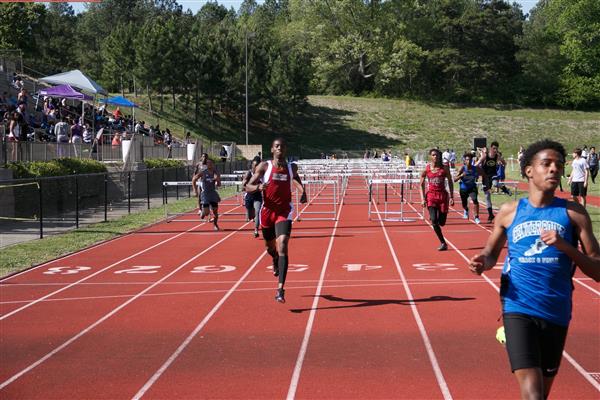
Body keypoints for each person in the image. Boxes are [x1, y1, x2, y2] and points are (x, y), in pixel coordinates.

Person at [469, 139, 600, 400]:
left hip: (556, 310)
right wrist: (482, 262)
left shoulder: (574, 214)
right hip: (517, 308)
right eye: (547, 164)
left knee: (542, 390)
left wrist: (566, 247)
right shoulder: (509, 212)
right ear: (529, 170)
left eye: (559, 165)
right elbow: (491, 253)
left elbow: (597, 269)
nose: (554, 169)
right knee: (533, 395)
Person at [245, 138, 307, 303]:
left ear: (285, 149)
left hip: (284, 211)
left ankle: (280, 289)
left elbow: (296, 179)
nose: (280, 149)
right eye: (277, 146)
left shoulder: (291, 167)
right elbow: (248, 186)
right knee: (270, 247)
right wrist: (258, 187)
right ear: (272, 149)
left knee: (283, 244)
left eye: (282, 146)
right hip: (267, 212)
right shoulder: (264, 166)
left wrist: (302, 191)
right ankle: (274, 259)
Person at [420, 148, 454, 251]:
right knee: (434, 220)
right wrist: (422, 199)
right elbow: (420, 184)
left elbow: (450, 182)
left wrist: (452, 196)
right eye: (434, 155)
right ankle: (443, 243)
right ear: (430, 156)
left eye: (437, 155)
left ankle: (441, 218)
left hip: (443, 196)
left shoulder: (444, 168)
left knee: (442, 222)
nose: (436, 157)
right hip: (431, 196)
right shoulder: (427, 169)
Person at [477, 141, 511, 223]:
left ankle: (505, 189)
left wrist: (502, 166)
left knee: (495, 184)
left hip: (493, 174)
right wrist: (474, 170)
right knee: (487, 197)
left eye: (496, 148)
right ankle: (491, 215)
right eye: (494, 148)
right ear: (491, 148)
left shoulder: (497, 156)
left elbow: (504, 162)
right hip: (485, 177)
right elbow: (476, 164)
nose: (495, 150)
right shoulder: (485, 156)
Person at [192, 158, 221, 231]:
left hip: (213, 193)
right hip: (205, 194)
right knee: (207, 213)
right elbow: (194, 180)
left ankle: (215, 225)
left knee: (215, 212)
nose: (210, 165)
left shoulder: (216, 172)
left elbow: (219, 185)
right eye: (208, 163)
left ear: (213, 164)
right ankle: (203, 212)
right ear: (206, 164)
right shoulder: (203, 172)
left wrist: (217, 180)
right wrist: (195, 190)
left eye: (211, 163)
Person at [454, 152, 482, 224]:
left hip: (472, 188)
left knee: (475, 200)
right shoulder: (462, 168)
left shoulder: (475, 168)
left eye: (470, 160)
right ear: (464, 161)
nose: (468, 161)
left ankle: (476, 217)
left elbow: (483, 175)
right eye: (467, 160)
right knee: (464, 204)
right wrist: (461, 175)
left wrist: (485, 182)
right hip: (463, 188)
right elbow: (454, 179)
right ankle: (466, 210)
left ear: (472, 160)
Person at [242, 159, 263, 238]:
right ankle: (253, 217)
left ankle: (256, 230)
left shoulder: (261, 174)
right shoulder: (248, 173)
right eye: (255, 165)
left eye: (258, 165)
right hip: (249, 196)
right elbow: (243, 185)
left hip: (257, 196)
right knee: (251, 216)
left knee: (258, 212)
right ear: (252, 166)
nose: (257, 167)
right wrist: (245, 185)